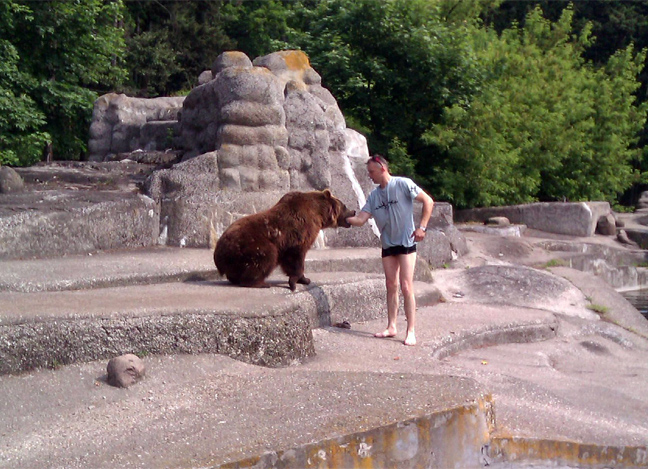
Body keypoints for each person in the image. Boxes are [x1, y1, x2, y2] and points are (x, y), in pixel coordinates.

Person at [346, 154, 434, 346]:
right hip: (388, 244)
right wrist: (338, 219)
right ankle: (391, 326)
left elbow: (428, 201)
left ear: (382, 168)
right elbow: (361, 220)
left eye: (371, 172)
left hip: (406, 242)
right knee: (391, 285)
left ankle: (410, 331)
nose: (370, 176)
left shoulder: (402, 184)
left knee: (406, 285)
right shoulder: (374, 195)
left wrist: (422, 227)